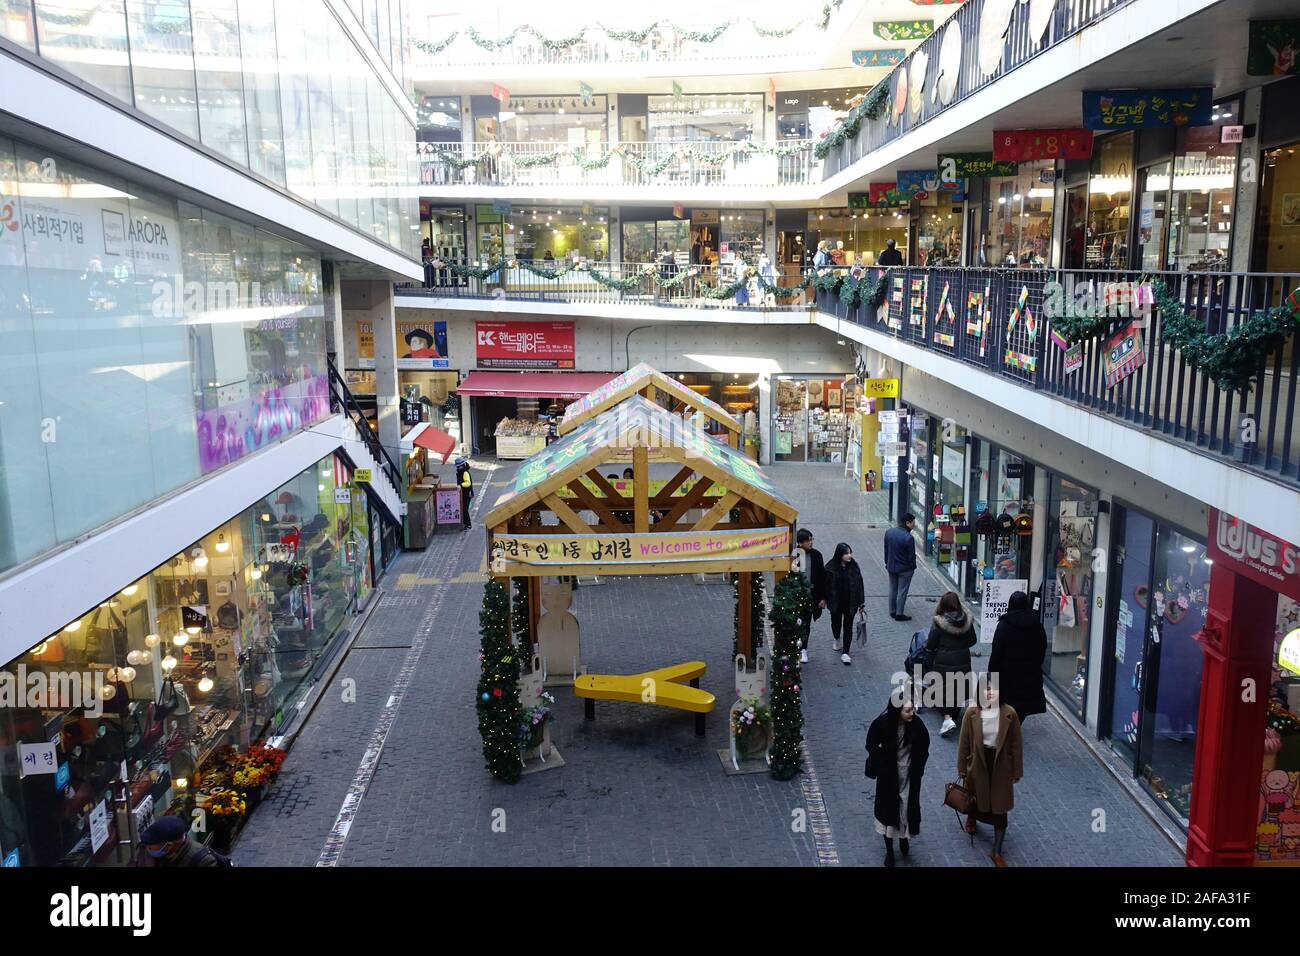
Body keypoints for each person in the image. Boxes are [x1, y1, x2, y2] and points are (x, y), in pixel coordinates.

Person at [956, 680, 1024, 866]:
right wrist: (962, 767)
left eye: (994, 689)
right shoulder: (971, 713)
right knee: (976, 797)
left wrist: (1016, 770)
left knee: (1000, 807)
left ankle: (997, 850)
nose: (990, 693)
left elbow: (1016, 744)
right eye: (986, 689)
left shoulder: (1010, 713)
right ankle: (972, 818)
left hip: (1000, 763)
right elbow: (964, 742)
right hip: (978, 761)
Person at [865, 690, 930, 866]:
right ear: (897, 710)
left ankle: (904, 837)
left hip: (909, 775)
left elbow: (924, 748)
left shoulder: (917, 725)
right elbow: (871, 744)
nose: (912, 713)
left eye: (912, 710)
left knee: (906, 806)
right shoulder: (883, 724)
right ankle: (889, 850)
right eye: (908, 710)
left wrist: (919, 769)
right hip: (889, 778)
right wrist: (882, 766)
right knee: (889, 811)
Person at [987, 591, 1047, 724]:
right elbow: (1042, 649)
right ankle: (1014, 729)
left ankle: (1007, 734)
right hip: (1030, 675)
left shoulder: (1004, 625)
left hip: (1008, 677)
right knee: (1022, 708)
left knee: (1006, 706)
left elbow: (996, 652)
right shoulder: (1037, 625)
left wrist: (992, 674)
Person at [925, 591, 977, 736]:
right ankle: (953, 716)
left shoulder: (939, 622)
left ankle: (947, 718)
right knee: (959, 687)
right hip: (963, 660)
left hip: (943, 661)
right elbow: (972, 640)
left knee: (942, 689)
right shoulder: (966, 620)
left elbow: (931, 642)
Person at [826, 542, 865, 665]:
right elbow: (825, 585)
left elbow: (860, 585)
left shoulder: (854, 567)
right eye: (846, 553)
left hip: (850, 602)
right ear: (839, 554)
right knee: (836, 623)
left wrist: (861, 603)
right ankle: (837, 637)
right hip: (836, 602)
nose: (849, 555)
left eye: (850, 552)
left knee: (848, 626)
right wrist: (824, 599)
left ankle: (846, 652)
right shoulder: (830, 567)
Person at [137, 815, 229, 867]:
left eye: (150, 847)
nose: (148, 849)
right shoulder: (160, 855)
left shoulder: (204, 862)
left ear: (169, 845)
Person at [795, 528, 827, 664]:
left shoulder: (817, 556)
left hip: (811, 596)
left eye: (811, 539)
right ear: (800, 543)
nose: (811, 542)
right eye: (808, 540)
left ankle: (804, 650)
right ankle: (796, 645)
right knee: (796, 622)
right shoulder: (795, 555)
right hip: (796, 597)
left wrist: (823, 597)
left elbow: (822, 577)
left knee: (806, 624)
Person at [883, 513, 917, 621]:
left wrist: (887, 562)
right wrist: (912, 567)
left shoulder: (889, 532)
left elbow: (886, 550)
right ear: (907, 523)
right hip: (905, 569)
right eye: (913, 523)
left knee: (893, 588)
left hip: (891, 566)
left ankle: (892, 611)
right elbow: (911, 556)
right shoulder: (909, 538)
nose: (914, 525)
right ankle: (899, 613)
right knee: (902, 591)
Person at [455, 455, 473, 530]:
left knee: (464, 509)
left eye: (459, 466)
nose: (458, 468)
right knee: (463, 509)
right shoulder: (461, 471)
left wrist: (460, 485)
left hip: (466, 493)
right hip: (463, 493)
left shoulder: (465, 473)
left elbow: (468, 483)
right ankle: (465, 523)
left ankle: (468, 524)